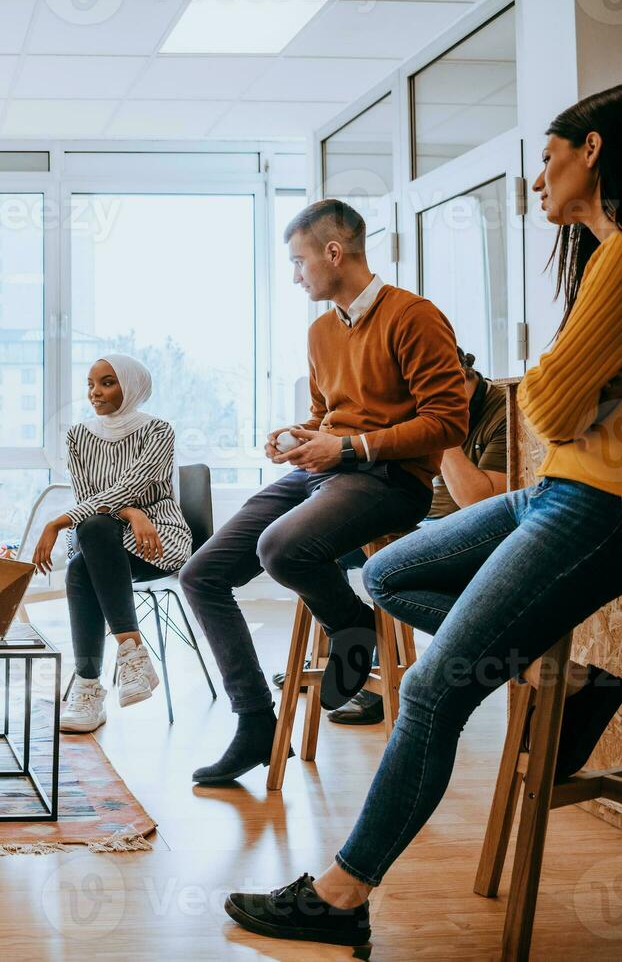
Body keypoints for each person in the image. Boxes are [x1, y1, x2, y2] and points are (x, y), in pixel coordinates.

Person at [223, 83, 622, 955]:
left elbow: (541, 404)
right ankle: (554, 677)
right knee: (389, 574)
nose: (537, 179)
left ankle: (341, 894)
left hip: (599, 499)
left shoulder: (618, 257)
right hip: (559, 486)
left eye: (548, 157)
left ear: (592, 153)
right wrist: (315, 434)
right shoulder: (597, 261)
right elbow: (548, 401)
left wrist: (358, 446)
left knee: (436, 687)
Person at [180, 197, 468, 786]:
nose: (294, 275)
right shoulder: (320, 332)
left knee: (281, 548)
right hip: (327, 472)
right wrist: (299, 437)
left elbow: (447, 422)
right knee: (201, 574)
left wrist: (350, 448)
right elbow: (328, 417)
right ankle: (257, 723)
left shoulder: (414, 316)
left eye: (298, 261)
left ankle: (352, 627)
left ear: (334, 253)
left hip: (393, 481)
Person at [316, 344, 509, 726]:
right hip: (407, 516)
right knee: (316, 546)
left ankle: (377, 681)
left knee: (383, 573)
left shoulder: (501, 411)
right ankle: (343, 658)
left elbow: (479, 503)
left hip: (464, 530)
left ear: (457, 378)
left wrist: (444, 428)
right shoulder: (404, 407)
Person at [30, 355, 192, 732]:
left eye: (107, 383)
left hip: (157, 535)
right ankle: (131, 653)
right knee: (89, 543)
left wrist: (59, 521)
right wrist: (129, 513)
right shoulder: (79, 436)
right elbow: (91, 499)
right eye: (90, 384)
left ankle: (88, 689)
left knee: (82, 560)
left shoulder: (158, 431)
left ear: (131, 387)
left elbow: (132, 486)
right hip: (104, 536)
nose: (95, 392)